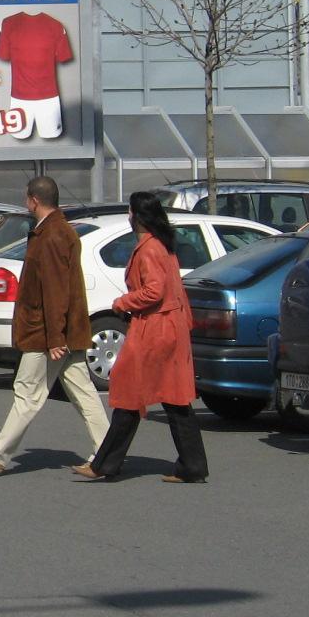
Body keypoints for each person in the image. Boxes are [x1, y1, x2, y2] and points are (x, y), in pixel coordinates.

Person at [0, 175, 109, 475]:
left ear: (34, 201)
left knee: (27, 392)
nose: (25, 203)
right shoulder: (57, 231)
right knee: (83, 392)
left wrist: (55, 338)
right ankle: (109, 452)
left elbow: (55, 291)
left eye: (26, 198)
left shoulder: (52, 236)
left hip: (45, 334)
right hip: (61, 332)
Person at [72, 191, 209, 483]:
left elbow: (154, 291)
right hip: (169, 326)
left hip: (155, 329)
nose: (129, 216)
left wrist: (123, 303)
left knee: (129, 392)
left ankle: (105, 464)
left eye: (131, 211)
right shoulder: (162, 245)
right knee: (173, 399)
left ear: (137, 215)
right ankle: (191, 465)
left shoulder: (149, 249)